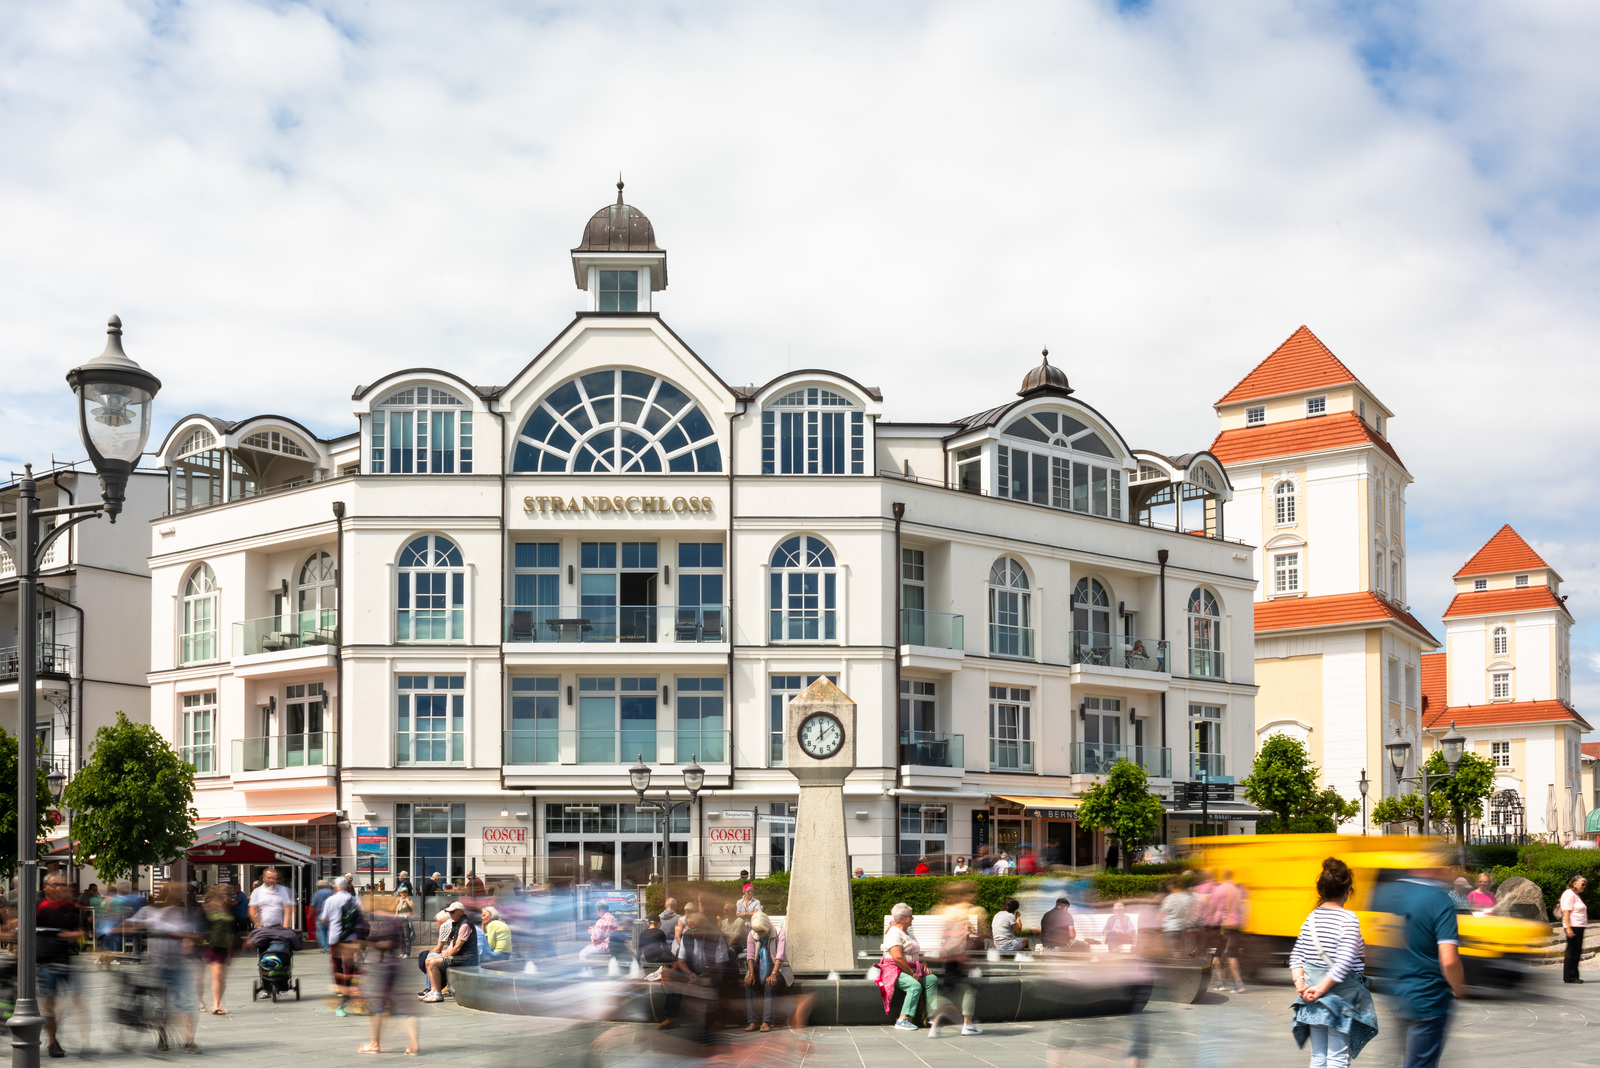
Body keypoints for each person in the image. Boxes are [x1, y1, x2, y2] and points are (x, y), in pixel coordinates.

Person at [1369, 867, 1468, 1068]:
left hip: (1397, 994)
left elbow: (1373, 948)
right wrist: (1459, 988)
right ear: (1434, 870)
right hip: (1428, 997)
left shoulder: (1386, 894)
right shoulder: (1439, 900)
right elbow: (1448, 960)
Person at [1289, 858, 1379, 1067]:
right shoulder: (1348, 918)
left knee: (1318, 1057)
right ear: (1348, 890)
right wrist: (1320, 990)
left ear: (1322, 891)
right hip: (1339, 998)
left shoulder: (1311, 918)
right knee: (1338, 1058)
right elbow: (1344, 962)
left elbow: (1296, 956)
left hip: (1311, 998)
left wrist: (1301, 984)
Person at [125, 884, 203, 1054]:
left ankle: (190, 1041)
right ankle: (163, 1037)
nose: (177, 897)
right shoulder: (148, 911)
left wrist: (188, 941)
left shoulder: (179, 913)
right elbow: (129, 923)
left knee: (186, 1004)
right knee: (160, 1004)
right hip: (157, 964)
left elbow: (187, 933)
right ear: (164, 894)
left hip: (178, 965)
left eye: (179, 894)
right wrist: (142, 924)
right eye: (173, 893)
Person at [357, 895, 421, 1056]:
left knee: (377, 1006)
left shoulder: (377, 920)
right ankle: (414, 1043)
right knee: (406, 1007)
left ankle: (374, 1043)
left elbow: (383, 943)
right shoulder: (397, 919)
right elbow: (398, 941)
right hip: (396, 965)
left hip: (381, 967)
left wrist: (366, 945)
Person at [36, 873, 87, 1058]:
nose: (61, 888)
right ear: (45, 887)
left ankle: (84, 1042)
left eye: (64, 885)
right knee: (50, 1004)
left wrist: (74, 935)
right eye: (57, 885)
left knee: (79, 1000)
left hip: (67, 960)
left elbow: (82, 931)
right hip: (46, 961)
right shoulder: (37, 905)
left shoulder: (72, 907)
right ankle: (52, 1041)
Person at [659, 909, 728, 1032]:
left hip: (712, 969)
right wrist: (690, 975)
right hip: (692, 969)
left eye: (695, 930)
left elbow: (720, 963)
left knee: (718, 980)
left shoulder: (717, 937)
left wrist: (702, 976)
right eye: (690, 930)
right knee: (674, 976)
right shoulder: (687, 936)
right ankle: (671, 1017)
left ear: (704, 927)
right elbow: (681, 961)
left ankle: (716, 1019)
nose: (692, 934)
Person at [928, 883, 982, 1036]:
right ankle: (967, 1025)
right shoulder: (960, 912)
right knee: (969, 989)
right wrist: (963, 959)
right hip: (957, 957)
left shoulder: (944, 910)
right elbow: (958, 937)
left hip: (947, 957)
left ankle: (935, 1025)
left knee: (948, 991)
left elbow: (944, 936)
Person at [878, 902, 942, 1030]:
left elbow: (912, 952)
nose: (913, 918)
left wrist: (921, 963)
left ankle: (930, 1016)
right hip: (894, 969)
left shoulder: (906, 931)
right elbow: (897, 958)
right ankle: (902, 1019)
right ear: (902, 918)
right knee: (914, 985)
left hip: (909, 967)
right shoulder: (894, 933)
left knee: (931, 979)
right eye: (911, 916)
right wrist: (912, 974)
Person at [322, 876, 365, 1011]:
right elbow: (362, 917)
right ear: (346, 886)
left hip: (334, 936)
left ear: (336, 887)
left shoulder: (330, 900)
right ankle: (349, 986)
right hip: (351, 936)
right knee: (349, 962)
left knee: (336, 962)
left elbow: (324, 919)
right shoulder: (355, 899)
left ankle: (340, 987)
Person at [744, 911, 791, 1031]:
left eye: (761, 931)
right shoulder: (752, 934)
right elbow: (750, 956)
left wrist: (773, 974)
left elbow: (779, 956)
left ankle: (766, 1021)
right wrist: (751, 974)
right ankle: (753, 1021)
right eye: (757, 932)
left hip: (777, 969)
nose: (759, 934)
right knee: (749, 984)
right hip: (757, 969)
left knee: (770, 983)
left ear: (767, 926)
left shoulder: (779, 932)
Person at [423, 901, 477, 1001]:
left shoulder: (465, 925)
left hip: (467, 958)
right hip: (460, 956)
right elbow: (452, 946)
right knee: (428, 960)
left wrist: (442, 958)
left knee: (433, 963)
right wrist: (441, 956)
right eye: (449, 912)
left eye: (452, 912)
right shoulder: (457, 924)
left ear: (460, 911)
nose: (450, 915)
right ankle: (433, 991)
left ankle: (438, 994)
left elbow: (457, 948)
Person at [1207, 869, 1247, 994]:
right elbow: (1243, 907)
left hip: (1223, 927)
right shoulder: (1238, 889)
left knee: (1229, 956)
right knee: (1219, 956)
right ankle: (1221, 983)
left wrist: (1210, 921)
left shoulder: (1219, 889)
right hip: (1236, 926)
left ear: (1222, 876)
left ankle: (1238, 984)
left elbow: (1213, 908)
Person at [201, 882, 236, 1014]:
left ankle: (219, 1001)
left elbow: (229, 929)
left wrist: (231, 945)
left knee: (221, 976)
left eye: (229, 894)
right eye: (226, 893)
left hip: (224, 945)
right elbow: (202, 925)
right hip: (211, 943)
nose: (229, 896)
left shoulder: (226, 908)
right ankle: (216, 1005)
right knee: (218, 974)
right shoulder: (208, 907)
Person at [1159, 874, 1200, 957]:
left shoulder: (1169, 899)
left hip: (1171, 929)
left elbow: (1161, 915)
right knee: (1182, 954)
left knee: (1173, 954)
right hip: (1184, 930)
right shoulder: (1187, 897)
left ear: (1170, 886)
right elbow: (1192, 912)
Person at [1561, 874, 1588, 984]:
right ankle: (1570, 976)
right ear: (1574, 883)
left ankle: (1573, 975)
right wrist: (1569, 928)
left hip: (1579, 926)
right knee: (1572, 951)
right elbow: (1566, 912)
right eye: (1582, 884)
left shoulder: (1575, 895)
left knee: (1576, 951)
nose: (1583, 886)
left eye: (1585, 885)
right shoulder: (1569, 894)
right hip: (1574, 926)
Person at [310, 878, 334, 952]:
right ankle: (330, 946)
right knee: (329, 930)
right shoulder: (331, 892)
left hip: (321, 913)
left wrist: (310, 913)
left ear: (318, 886)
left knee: (322, 931)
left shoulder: (317, 893)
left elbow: (313, 905)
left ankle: (325, 946)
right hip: (330, 914)